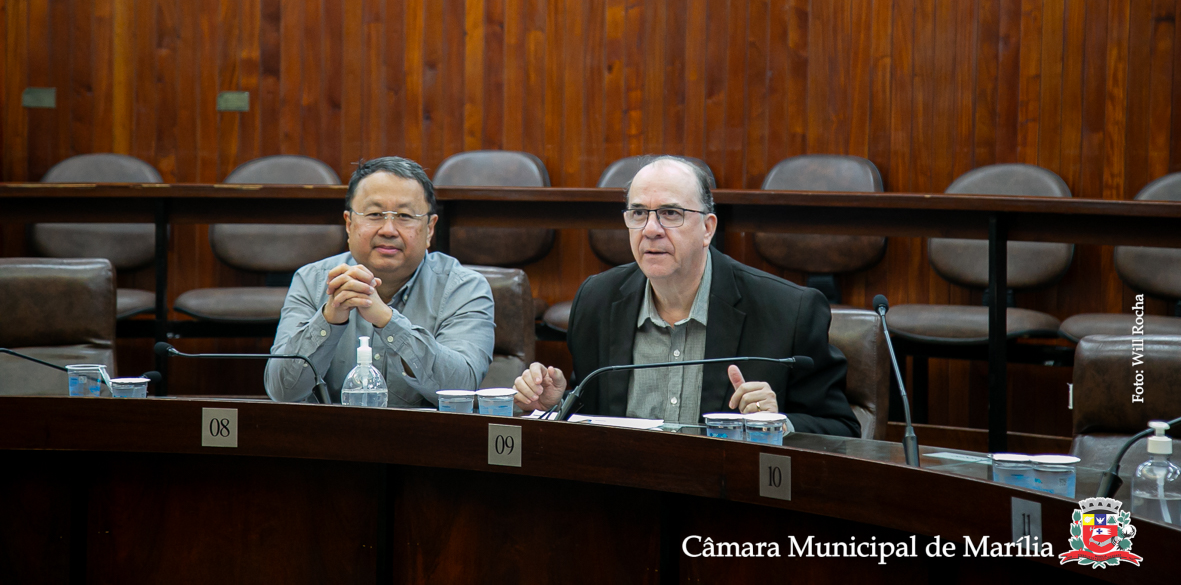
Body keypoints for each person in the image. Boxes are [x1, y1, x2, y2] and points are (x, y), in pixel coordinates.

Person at [514, 156, 860, 437]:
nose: (651, 230)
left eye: (670, 213)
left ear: (707, 228)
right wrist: (556, 405)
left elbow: (842, 429)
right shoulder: (597, 300)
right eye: (639, 213)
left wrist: (778, 422)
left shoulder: (788, 311)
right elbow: (595, 414)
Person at [265, 157, 495, 405]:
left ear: (429, 228)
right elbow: (281, 392)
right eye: (374, 214)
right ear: (349, 224)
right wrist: (329, 319)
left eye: (404, 215)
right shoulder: (313, 281)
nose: (388, 230)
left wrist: (386, 320)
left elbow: (461, 389)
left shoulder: (464, 288)